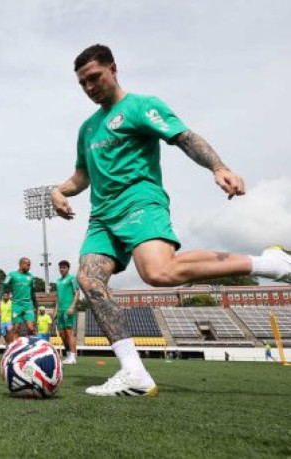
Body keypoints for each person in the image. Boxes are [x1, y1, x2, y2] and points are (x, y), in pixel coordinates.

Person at [50, 44, 291, 396]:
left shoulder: (140, 106)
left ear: (114, 69)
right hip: (102, 217)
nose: (89, 88)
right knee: (88, 280)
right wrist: (59, 191)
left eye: (94, 78)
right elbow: (81, 177)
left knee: (159, 273)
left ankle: (269, 263)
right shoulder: (87, 129)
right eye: (82, 84)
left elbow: (185, 138)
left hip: (139, 201)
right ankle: (134, 373)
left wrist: (218, 167)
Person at [0, 258, 38, 341]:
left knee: (31, 328)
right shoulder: (12, 275)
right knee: (16, 328)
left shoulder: (30, 277)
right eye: (28, 265)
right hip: (16, 305)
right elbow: (3, 286)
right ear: (21, 264)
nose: (29, 267)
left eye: (30, 265)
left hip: (28, 305)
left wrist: (35, 305)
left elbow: (33, 293)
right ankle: (13, 348)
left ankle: (30, 348)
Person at [54, 260, 80, 364]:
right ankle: (68, 355)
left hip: (68, 309)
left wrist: (72, 306)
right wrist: (55, 310)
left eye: (64, 267)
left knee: (69, 332)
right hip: (60, 310)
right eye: (60, 267)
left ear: (68, 269)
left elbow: (77, 293)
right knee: (62, 334)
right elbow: (58, 297)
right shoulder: (58, 281)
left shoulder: (72, 279)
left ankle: (73, 357)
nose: (62, 269)